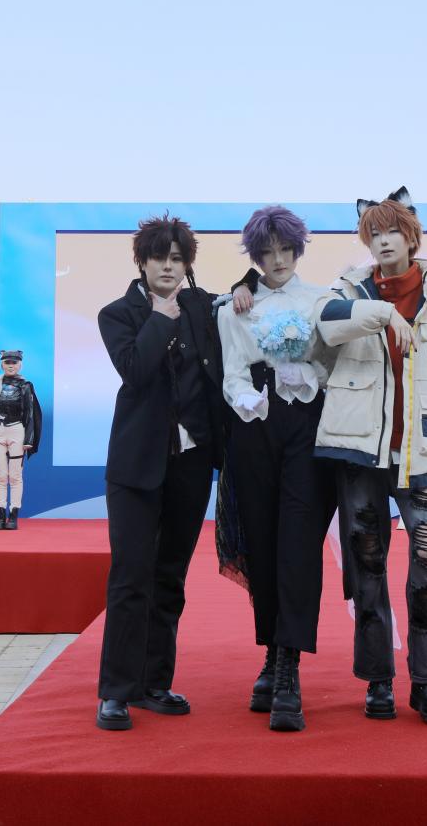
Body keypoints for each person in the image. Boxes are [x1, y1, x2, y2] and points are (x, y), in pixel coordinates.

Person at [313, 187, 427, 724]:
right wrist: (380, 312)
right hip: (359, 449)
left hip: (423, 448)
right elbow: (325, 327)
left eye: (393, 232)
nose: (384, 242)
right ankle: (377, 679)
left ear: (411, 237)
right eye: (375, 233)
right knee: (366, 563)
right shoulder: (346, 291)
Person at [95, 214, 255, 731]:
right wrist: (161, 318)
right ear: (141, 262)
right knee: (130, 577)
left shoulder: (201, 307)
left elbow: (246, 292)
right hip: (135, 467)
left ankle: (153, 683)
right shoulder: (117, 314)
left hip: (191, 464)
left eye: (178, 258)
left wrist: (244, 287)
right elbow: (136, 371)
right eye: (159, 257)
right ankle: (116, 691)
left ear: (188, 264)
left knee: (170, 576)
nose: (168, 266)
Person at [216, 205, 336, 732]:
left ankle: (289, 668)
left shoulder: (321, 301)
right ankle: (271, 653)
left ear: (298, 250)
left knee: (299, 542)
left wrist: (305, 374)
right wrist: (252, 399)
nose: (278, 260)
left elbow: (332, 365)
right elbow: (232, 372)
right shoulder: (234, 307)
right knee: (262, 540)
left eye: (286, 250)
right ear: (256, 256)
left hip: (308, 424)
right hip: (254, 424)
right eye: (267, 253)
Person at [0, 350, 40, 531]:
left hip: (16, 431)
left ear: (20, 364)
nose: (11, 365)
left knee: (15, 476)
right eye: (7, 362)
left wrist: (28, 439)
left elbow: (30, 413)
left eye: (14, 362)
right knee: (0, 475)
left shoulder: (25, 385)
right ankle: (0, 516)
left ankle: (13, 515)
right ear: (2, 364)